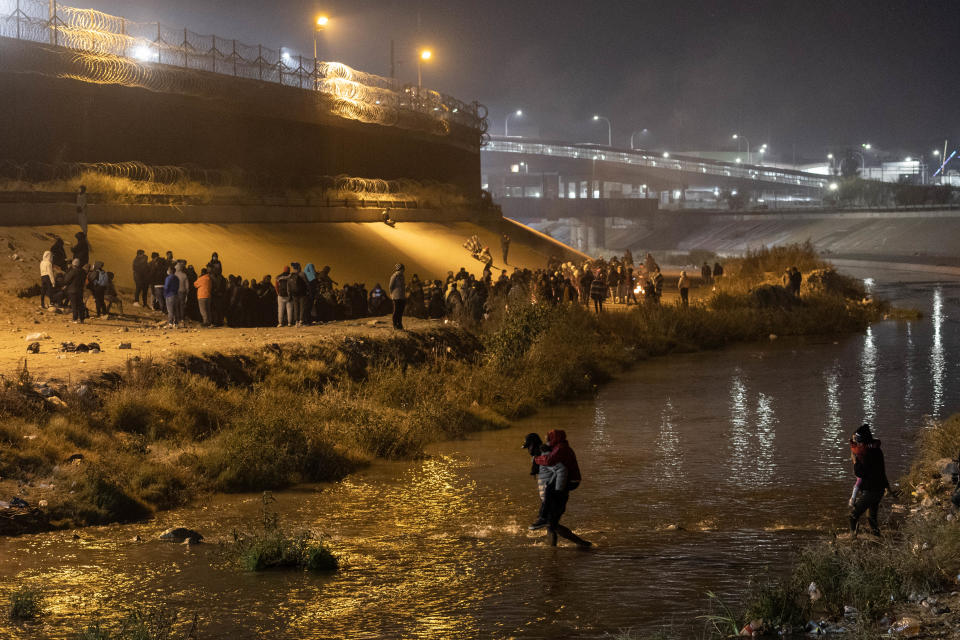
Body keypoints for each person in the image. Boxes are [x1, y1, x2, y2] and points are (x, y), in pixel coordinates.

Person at [532, 430, 591, 547]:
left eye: (549, 438)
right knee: (551, 522)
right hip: (566, 483)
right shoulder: (560, 447)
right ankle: (554, 550)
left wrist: (537, 459)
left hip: (568, 483)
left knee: (551, 523)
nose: (547, 441)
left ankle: (582, 544)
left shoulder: (560, 448)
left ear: (554, 438)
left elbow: (549, 461)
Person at [845, 424, 897, 539]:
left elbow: (860, 474)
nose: (856, 444)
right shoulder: (877, 451)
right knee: (871, 517)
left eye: (857, 441)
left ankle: (852, 538)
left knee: (853, 515)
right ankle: (877, 538)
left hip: (871, 491)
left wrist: (855, 462)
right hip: (878, 490)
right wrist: (888, 488)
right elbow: (882, 472)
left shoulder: (865, 455)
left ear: (861, 441)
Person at [63, 258, 86, 323]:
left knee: (74, 305)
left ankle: (75, 319)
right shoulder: (83, 272)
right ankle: (82, 319)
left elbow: (66, 280)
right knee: (80, 304)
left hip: (72, 291)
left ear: (73, 264)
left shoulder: (73, 271)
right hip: (80, 290)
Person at [389, 263, 406, 330]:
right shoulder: (394, 276)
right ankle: (395, 325)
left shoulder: (402, 276)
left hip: (401, 296)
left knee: (400, 311)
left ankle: (399, 325)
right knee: (396, 311)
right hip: (396, 296)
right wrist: (392, 294)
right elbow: (391, 286)